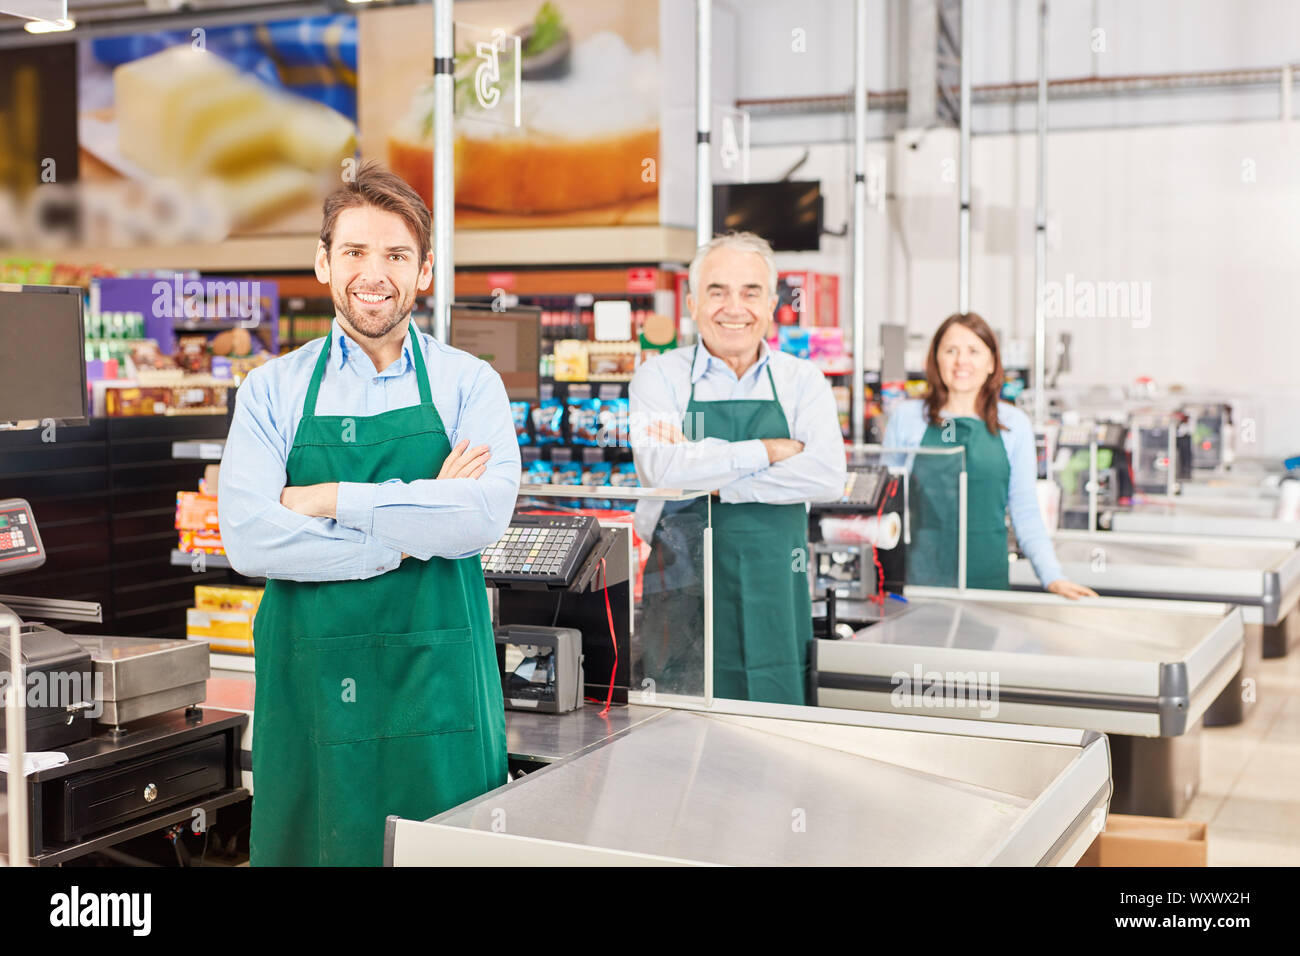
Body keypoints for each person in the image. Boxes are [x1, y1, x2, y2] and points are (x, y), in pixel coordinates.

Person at [218, 162, 520, 866]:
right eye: (354, 251)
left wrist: (329, 502)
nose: (373, 273)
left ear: (425, 272)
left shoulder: (470, 384)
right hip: (313, 693)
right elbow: (251, 538)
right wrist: (410, 538)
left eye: (396, 254)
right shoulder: (271, 391)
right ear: (324, 263)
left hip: (438, 684)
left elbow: (479, 517)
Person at [629, 232, 847, 705]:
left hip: (775, 592)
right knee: (678, 738)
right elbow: (663, 470)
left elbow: (827, 475)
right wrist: (769, 449)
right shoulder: (657, 377)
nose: (734, 307)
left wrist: (713, 479)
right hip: (681, 593)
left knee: (775, 737)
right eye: (717, 291)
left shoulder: (802, 380)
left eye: (750, 292)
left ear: (771, 304)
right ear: (692, 303)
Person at [883, 312, 1096, 597]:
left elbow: (1024, 510)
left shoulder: (1014, 424)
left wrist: (1052, 576)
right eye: (950, 351)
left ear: (991, 362)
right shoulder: (907, 418)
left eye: (973, 351)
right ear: (935, 360)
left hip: (986, 577)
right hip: (918, 577)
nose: (961, 361)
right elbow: (886, 501)